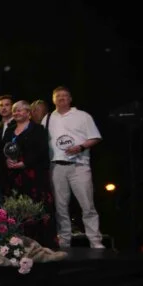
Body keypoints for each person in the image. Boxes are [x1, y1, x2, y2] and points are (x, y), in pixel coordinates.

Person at [43, 86, 104, 249]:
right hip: (56, 166)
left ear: (70, 99)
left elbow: (95, 137)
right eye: (58, 96)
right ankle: (64, 241)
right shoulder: (48, 118)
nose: (61, 98)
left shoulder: (83, 116)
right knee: (60, 207)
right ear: (53, 99)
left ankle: (95, 241)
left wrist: (81, 147)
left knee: (87, 205)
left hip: (79, 166)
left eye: (65, 95)